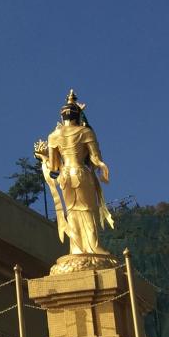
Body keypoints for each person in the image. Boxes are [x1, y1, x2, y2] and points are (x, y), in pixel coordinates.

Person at [36, 90, 114, 254]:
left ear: (62, 117)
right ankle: (93, 246)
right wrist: (102, 166)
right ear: (77, 115)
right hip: (80, 173)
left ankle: (77, 248)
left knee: (71, 211)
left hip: (65, 176)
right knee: (87, 210)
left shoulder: (53, 136)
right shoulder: (85, 132)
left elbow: (54, 167)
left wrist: (44, 157)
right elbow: (95, 157)